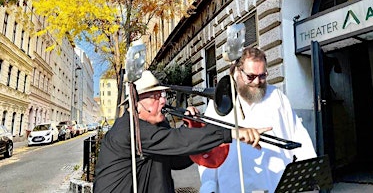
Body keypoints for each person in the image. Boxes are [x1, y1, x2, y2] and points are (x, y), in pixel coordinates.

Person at [93, 71, 271, 193]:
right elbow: (176, 140)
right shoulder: (130, 130)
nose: (163, 101)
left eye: (163, 95)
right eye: (156, 96)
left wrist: (191, 128)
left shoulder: (155, 128)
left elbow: (177, 159)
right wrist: (232, 133)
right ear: (136, 102)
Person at [195, 47, 317, 193]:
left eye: (262, 75)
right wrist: (209, 185)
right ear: (238, 72)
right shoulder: (220, 103)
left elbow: (298, 136)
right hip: (232, 186)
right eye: (251, 76)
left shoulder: (277, 97)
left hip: (274, 184)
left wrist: (309, 174)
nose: (257, 82)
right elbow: (209, 150)